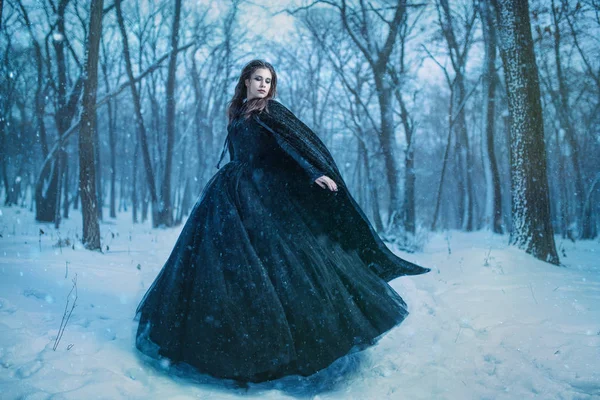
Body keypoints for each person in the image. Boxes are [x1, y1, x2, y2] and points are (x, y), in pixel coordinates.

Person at [134, 59, 430, 384]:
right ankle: (225, 342)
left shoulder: (271, 111)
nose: (263, 85)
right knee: (224, 264)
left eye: (268, 80)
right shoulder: (238, 112)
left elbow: (295, 146)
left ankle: (284, 346)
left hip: (262, 194)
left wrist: (314, 171)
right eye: (258, 78)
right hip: (230, 195)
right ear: (245, 80)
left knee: (277, 262)